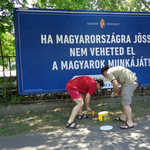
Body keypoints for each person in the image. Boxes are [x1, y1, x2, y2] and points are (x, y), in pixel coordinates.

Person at [101, 65, 138, 129]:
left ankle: (130, 123)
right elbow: (123, 81)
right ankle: (123, 117)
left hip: (130, 83)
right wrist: (120, 90)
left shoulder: (109, 73)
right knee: (124, 101)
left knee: (126, 103)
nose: (106, 77)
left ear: (104, 73)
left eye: (104, 76)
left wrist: (115, 92)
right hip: (131, 82)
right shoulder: (113, 70)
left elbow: (115, 84)